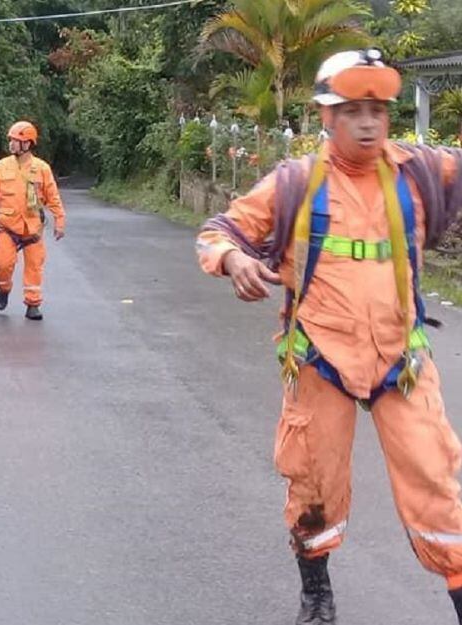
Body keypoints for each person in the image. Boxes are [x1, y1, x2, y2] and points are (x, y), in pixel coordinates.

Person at [196, 49, 462, 624]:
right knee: (315, 486)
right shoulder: (294, 183)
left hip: (402, 362)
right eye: (352, 111)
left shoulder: (419, 172)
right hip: (320, 360)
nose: (368, 122)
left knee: (436, 485)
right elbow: (218, 231)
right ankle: (316, 594)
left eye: (377, 109)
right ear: (326, 117)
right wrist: (230, 260)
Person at [0, 121, 66, 320]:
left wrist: (59, 221)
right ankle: (4, 289)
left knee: (35, 266)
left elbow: (53, 197)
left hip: (33, 229)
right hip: (7, 227)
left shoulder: (41, 168)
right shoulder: (1, 166)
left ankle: (32, 304)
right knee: (2, 264)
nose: (11, 144)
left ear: (27, 144)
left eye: (16, 141)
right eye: (10, 140)